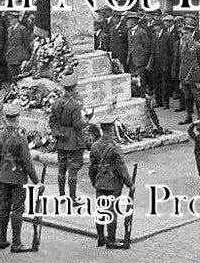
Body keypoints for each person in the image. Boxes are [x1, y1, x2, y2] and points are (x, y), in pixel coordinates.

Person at [0, 104, 39, 252]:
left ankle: (3, 239)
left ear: (5, 119)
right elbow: (27, 162)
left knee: (4, 208)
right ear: (17, 119)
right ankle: (16, 242)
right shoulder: (21, 138)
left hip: (3, 177)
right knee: (17, 209)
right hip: (17, 178)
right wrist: (36, 181)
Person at [89, 118, 135, 249]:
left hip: (100, 182)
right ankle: (111, 239)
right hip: (113, 184)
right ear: (112, 129)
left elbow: (91, 168)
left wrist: (95, 182)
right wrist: (130, 184)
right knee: (111, 211)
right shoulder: (115, 147)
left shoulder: (95, 146)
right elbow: (122, 168)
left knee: (100, 210)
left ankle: (100, 237)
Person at [49, 75, 89, 201]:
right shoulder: (75, 105)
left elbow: (52, 121)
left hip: (61, 139)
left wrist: (56, 132)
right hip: (74, 139)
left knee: (61, 168)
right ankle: (73, 198)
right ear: (73, 88)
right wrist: (88, 119)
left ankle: (61, 195)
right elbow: (78, 125)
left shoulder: (56, 103)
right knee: (73, 169)